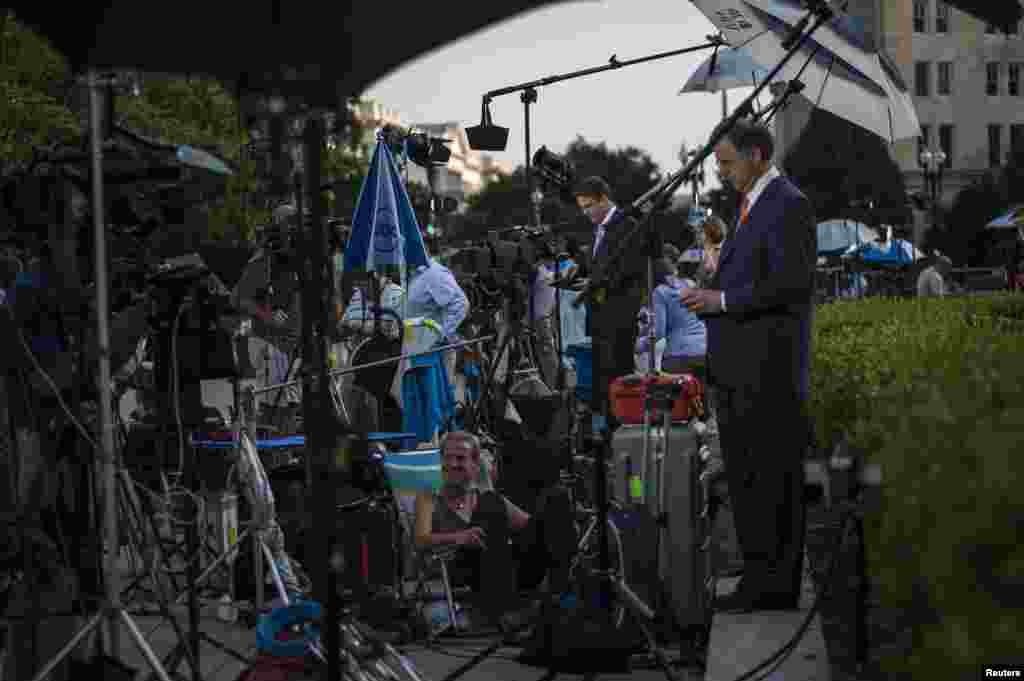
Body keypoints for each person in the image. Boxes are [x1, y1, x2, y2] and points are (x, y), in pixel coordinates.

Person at [680, 119, 815, 613]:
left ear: (756, 154)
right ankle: (760, 577)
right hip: (742, 370)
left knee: (771, 480)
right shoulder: (751, 204)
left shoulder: (788, 204)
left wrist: (720, 299)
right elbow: (755, 276)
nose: (721, 171)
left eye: (727, 161)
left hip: (768, 373)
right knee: (748, 480)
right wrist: (714, 286)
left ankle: (773, 584)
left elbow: (790, 284)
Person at [413, 431, 577, 623]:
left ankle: (558, 597)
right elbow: (420, 540)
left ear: (475, 465)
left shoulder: (482, 497)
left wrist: (559, 522)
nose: (453, 464)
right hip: (459, 567)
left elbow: (533, 528)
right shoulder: (428, 496)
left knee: (556, 500)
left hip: (504, 569)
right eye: (447, 458)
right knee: (491, 502)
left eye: (460, 458)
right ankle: (514, 608)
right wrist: (460, 537)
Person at [573, 176, 647, 418]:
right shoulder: (597, 230)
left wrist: (594, 283)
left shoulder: (627, 225)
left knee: (618, 377)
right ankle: (606, 426)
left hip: (619, 316)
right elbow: (598, 265)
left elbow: (629, 269)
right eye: (582, 208)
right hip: (599, 316)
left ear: (604, 199)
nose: (585, 213)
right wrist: (578, 272)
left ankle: (621, 426)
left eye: (589, 206)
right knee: (602, 380)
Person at [637, 256, 707, 376]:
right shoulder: (690, 283)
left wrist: (640, 345)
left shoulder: (660, 292)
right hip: (703, 351)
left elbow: (659, 332)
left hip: (679, 355)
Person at [406, 257, 470, 380]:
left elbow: (461, 303)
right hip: (415, 351)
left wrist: (440, 334)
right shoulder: (414, 274)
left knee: (433, 390)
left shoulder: (434, 273)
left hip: (431, 356)